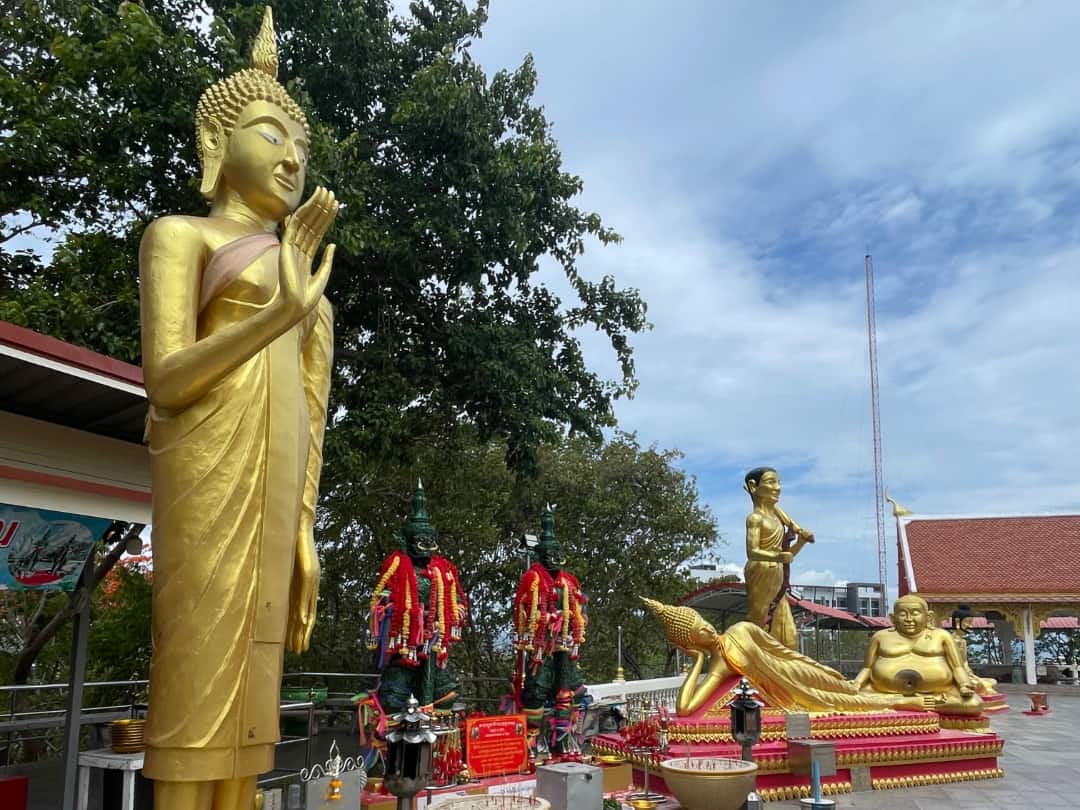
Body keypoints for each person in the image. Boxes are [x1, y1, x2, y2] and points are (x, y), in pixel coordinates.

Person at [139, 9, 337, 809]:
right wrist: (273, 316)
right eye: (270, 132)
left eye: (302, 145)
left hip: (274, 499)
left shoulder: (307, 282)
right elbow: (166, 382)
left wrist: (303, 528)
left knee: (256, 698)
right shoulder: (180, 237)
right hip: (206, 487)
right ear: (216, 146)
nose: (291, 156)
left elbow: (313, 415)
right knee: (194, 685)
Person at [642, 598, 945, 717]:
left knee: (845, 687)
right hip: (790, 691)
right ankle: (900, 702)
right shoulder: (718, 667)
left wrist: (808, 663)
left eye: (704, 623)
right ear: (692, 643)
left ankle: (887, 697)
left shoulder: (742, 629)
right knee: (841, 704)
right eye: (699, 633)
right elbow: (684, 709)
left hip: (795, 670)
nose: (708, 629)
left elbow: (781, 651)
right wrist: (696, 662)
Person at [369, 483, 467, 713]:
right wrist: (401, 613)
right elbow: (379, 602)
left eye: (429, 541)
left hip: (434, 643)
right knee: (393, 699)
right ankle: (394, 747)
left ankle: (436, 747)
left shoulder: (442, 571)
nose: (427, 547)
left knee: (447, 696)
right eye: (420, 541)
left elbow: (457, 602)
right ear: (408, 541)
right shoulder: (398, 567)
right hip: (405, 645)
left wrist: (452, 614)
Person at [512, 507, 588, 757]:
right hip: (542, 646)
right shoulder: (532, 579)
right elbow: (522, 610)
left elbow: (580, 610)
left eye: (559, 554)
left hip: (565, 645)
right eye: (551, 554)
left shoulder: (569, 582)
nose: (556, 558)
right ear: (542, 556)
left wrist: (576, 624)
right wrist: (545, 620)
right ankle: (532, 745)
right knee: (535, 692)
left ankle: (563, 741)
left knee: (566, 692)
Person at [852, 594, 983, 716]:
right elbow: (867, 668)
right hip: (885, 693)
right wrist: (856, 684)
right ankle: (907, 703)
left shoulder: (942, 636)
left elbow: (957, 667)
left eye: (915, 614)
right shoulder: (880, 637)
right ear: (893, 618)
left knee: (973, 704)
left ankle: (910, 704)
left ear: (928, 617)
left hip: (938, 695)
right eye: (903, 614)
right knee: (848, 700)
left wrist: (964, 685)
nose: (909, 619)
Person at [742, 467, 813, 649]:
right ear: (753, 486)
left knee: (788, 636)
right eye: (771, 482)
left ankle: (783, 668)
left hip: (778, 577)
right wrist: (778, 557)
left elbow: (786, 558)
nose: (778, 488)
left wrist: (801, 542)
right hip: (761, 572)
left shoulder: (777, 518)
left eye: (779, 482)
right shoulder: (755, 519)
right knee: (759, 622)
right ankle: (751, 661)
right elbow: (752, 551)